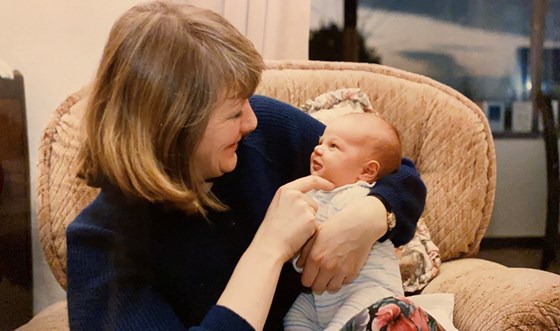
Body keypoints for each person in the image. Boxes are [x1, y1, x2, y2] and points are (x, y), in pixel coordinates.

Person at [65, 1, 427, 331]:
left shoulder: (265, 135)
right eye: (234, 112)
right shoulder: (101, 245)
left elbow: (398, 173)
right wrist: (268, 250)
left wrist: (369, 217)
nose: (251, 121)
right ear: (174, 127)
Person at [284, 113, 407, 330]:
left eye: (333, 146)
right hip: (319, 298)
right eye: (320, 142)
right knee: (294, 316)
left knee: (352, 320)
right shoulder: (313, 194)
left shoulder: (358, 195)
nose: (318, 149)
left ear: (367, 171)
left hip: (369, 290)